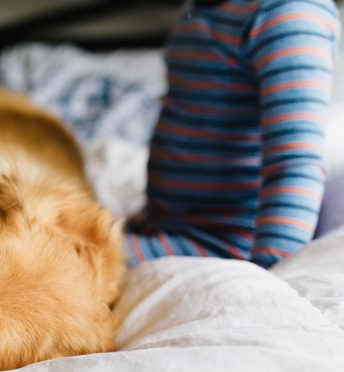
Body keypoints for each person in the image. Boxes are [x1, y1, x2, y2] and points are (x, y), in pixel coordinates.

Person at [126, 0, 340, 268]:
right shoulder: (200, 8)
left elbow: (295, 164)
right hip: (167, 224)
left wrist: (269, 271)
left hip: (224, 244)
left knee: (81, 261)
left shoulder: (290, 14)